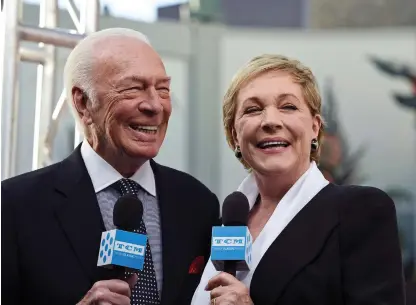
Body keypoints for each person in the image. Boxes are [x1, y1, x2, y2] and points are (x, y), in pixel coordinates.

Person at [2, 28, 220, 305]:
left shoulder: (198, 203)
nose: (155, 105)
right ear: (83, 103)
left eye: (163, 89)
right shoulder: (14, 206)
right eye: (133, 88)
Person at [191, 54, 406, 305]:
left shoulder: (359, 211)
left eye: (288, 107)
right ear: (234, 134)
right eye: (253, 109)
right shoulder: (223, 224)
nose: (270, 121)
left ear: (315, 127)